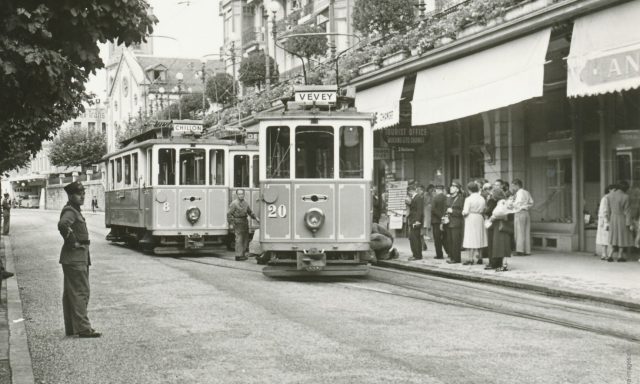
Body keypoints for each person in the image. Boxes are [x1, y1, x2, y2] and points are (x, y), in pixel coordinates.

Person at [58, 181, 100, 338]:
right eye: (78, 193)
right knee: (81, 292)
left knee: (70, 294)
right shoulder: (71, 211)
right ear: (70, 195)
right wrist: (72, 242)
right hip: (75, 258)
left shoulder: (74, 210)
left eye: (83, 193)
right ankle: (83, 328)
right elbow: (62, 225)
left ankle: (72, 328)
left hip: (73, 258)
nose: (82, 196)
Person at [227, 189, 259, 261]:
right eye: (239, 194)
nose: (241, 195)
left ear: (244, 195)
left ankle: (242, 254)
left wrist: (256, 218)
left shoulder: (245, 203)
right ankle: (238, 255)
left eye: (242, 194)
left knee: (245, 238)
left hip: (244, 221)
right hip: (237, 222)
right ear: (237, 195)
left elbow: (250, 212)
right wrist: (231, 223)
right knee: (239, 239)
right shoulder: (234, 203)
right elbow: (229, 214)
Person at [486, 188, 513, 271]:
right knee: (500, 245)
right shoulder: (504, 201)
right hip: (501, 225)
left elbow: (498, 213)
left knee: (499, 245)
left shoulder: (501, 202)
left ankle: (500, 264)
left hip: (499, 225)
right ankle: (500, 264)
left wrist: (493, 217)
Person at [607, 180, 633, 262]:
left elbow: (608, 209)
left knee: (614, 237)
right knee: (622, 237)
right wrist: (629, 224)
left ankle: (610, 255)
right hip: (622, 218)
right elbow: (627, 211)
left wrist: (608, 219)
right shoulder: (626, 197)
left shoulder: (610, 195)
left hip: (613, 218)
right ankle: (620, 256)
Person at [462, 181, 488, 265]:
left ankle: (470, 258)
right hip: (480, 217)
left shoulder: (468, 199)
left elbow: (465, 211)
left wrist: (463, 213)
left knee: (471, 237)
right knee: (479, 237)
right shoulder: (482, 198)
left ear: (469, 190)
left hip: (471, 218)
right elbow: (484, 209)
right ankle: (480, 257)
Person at [509, 179, 533, 256]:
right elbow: (531, 202)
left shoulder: (519, 193)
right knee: (526, 231)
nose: (512, 188)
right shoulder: (526, 192)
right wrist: (526, 206)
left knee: (519, 232)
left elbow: (517, 203)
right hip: (526, 212)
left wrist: (511, 203)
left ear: (516, 185)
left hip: (519, 212)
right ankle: (527, 250)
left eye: (513, 186)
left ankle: (520, 250)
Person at [445, 180, 465, 264]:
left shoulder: (461, 199)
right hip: (448, 222)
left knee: (456, 241)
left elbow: (462, 212)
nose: (451, 188)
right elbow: (446, 209)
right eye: (451, 186)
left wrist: (452, 211)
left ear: (457, 189)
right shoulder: (449, 198)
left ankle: (456, 258)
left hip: (456, 223)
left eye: (453, 187)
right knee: (449, 241)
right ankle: (452, 256)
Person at [596, 184, 616, 260]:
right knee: (605, 237)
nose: (614, 192)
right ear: (609, 190)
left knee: (605, 237)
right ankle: (604, 254)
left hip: (605, 220)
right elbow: (604, 211)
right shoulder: (606, 198)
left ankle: (604, 254)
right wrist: (606, 221)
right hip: (605, 220)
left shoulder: (608, 198)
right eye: (614, 190)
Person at [406, 186, 424, 261]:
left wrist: (417, 221)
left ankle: (416, 255)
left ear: (411, 191)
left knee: (414, 238)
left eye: (409, 192)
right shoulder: (416, 197)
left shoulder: (418, 197)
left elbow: (419, 210)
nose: (409, 194)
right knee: (414, 238)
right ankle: (417, 254)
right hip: (413, 220)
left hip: (415, 221)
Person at [430, 185, 447, 259]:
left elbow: (433, 209)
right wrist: (443, 217)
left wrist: (440, 216)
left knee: (437, 239)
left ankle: (439, 254)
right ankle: (449, 252)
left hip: (436, 221)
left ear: (436, 190)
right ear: (442, 190)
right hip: (445, 221)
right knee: (445, 238)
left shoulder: (435, 198)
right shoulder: (446, 197)